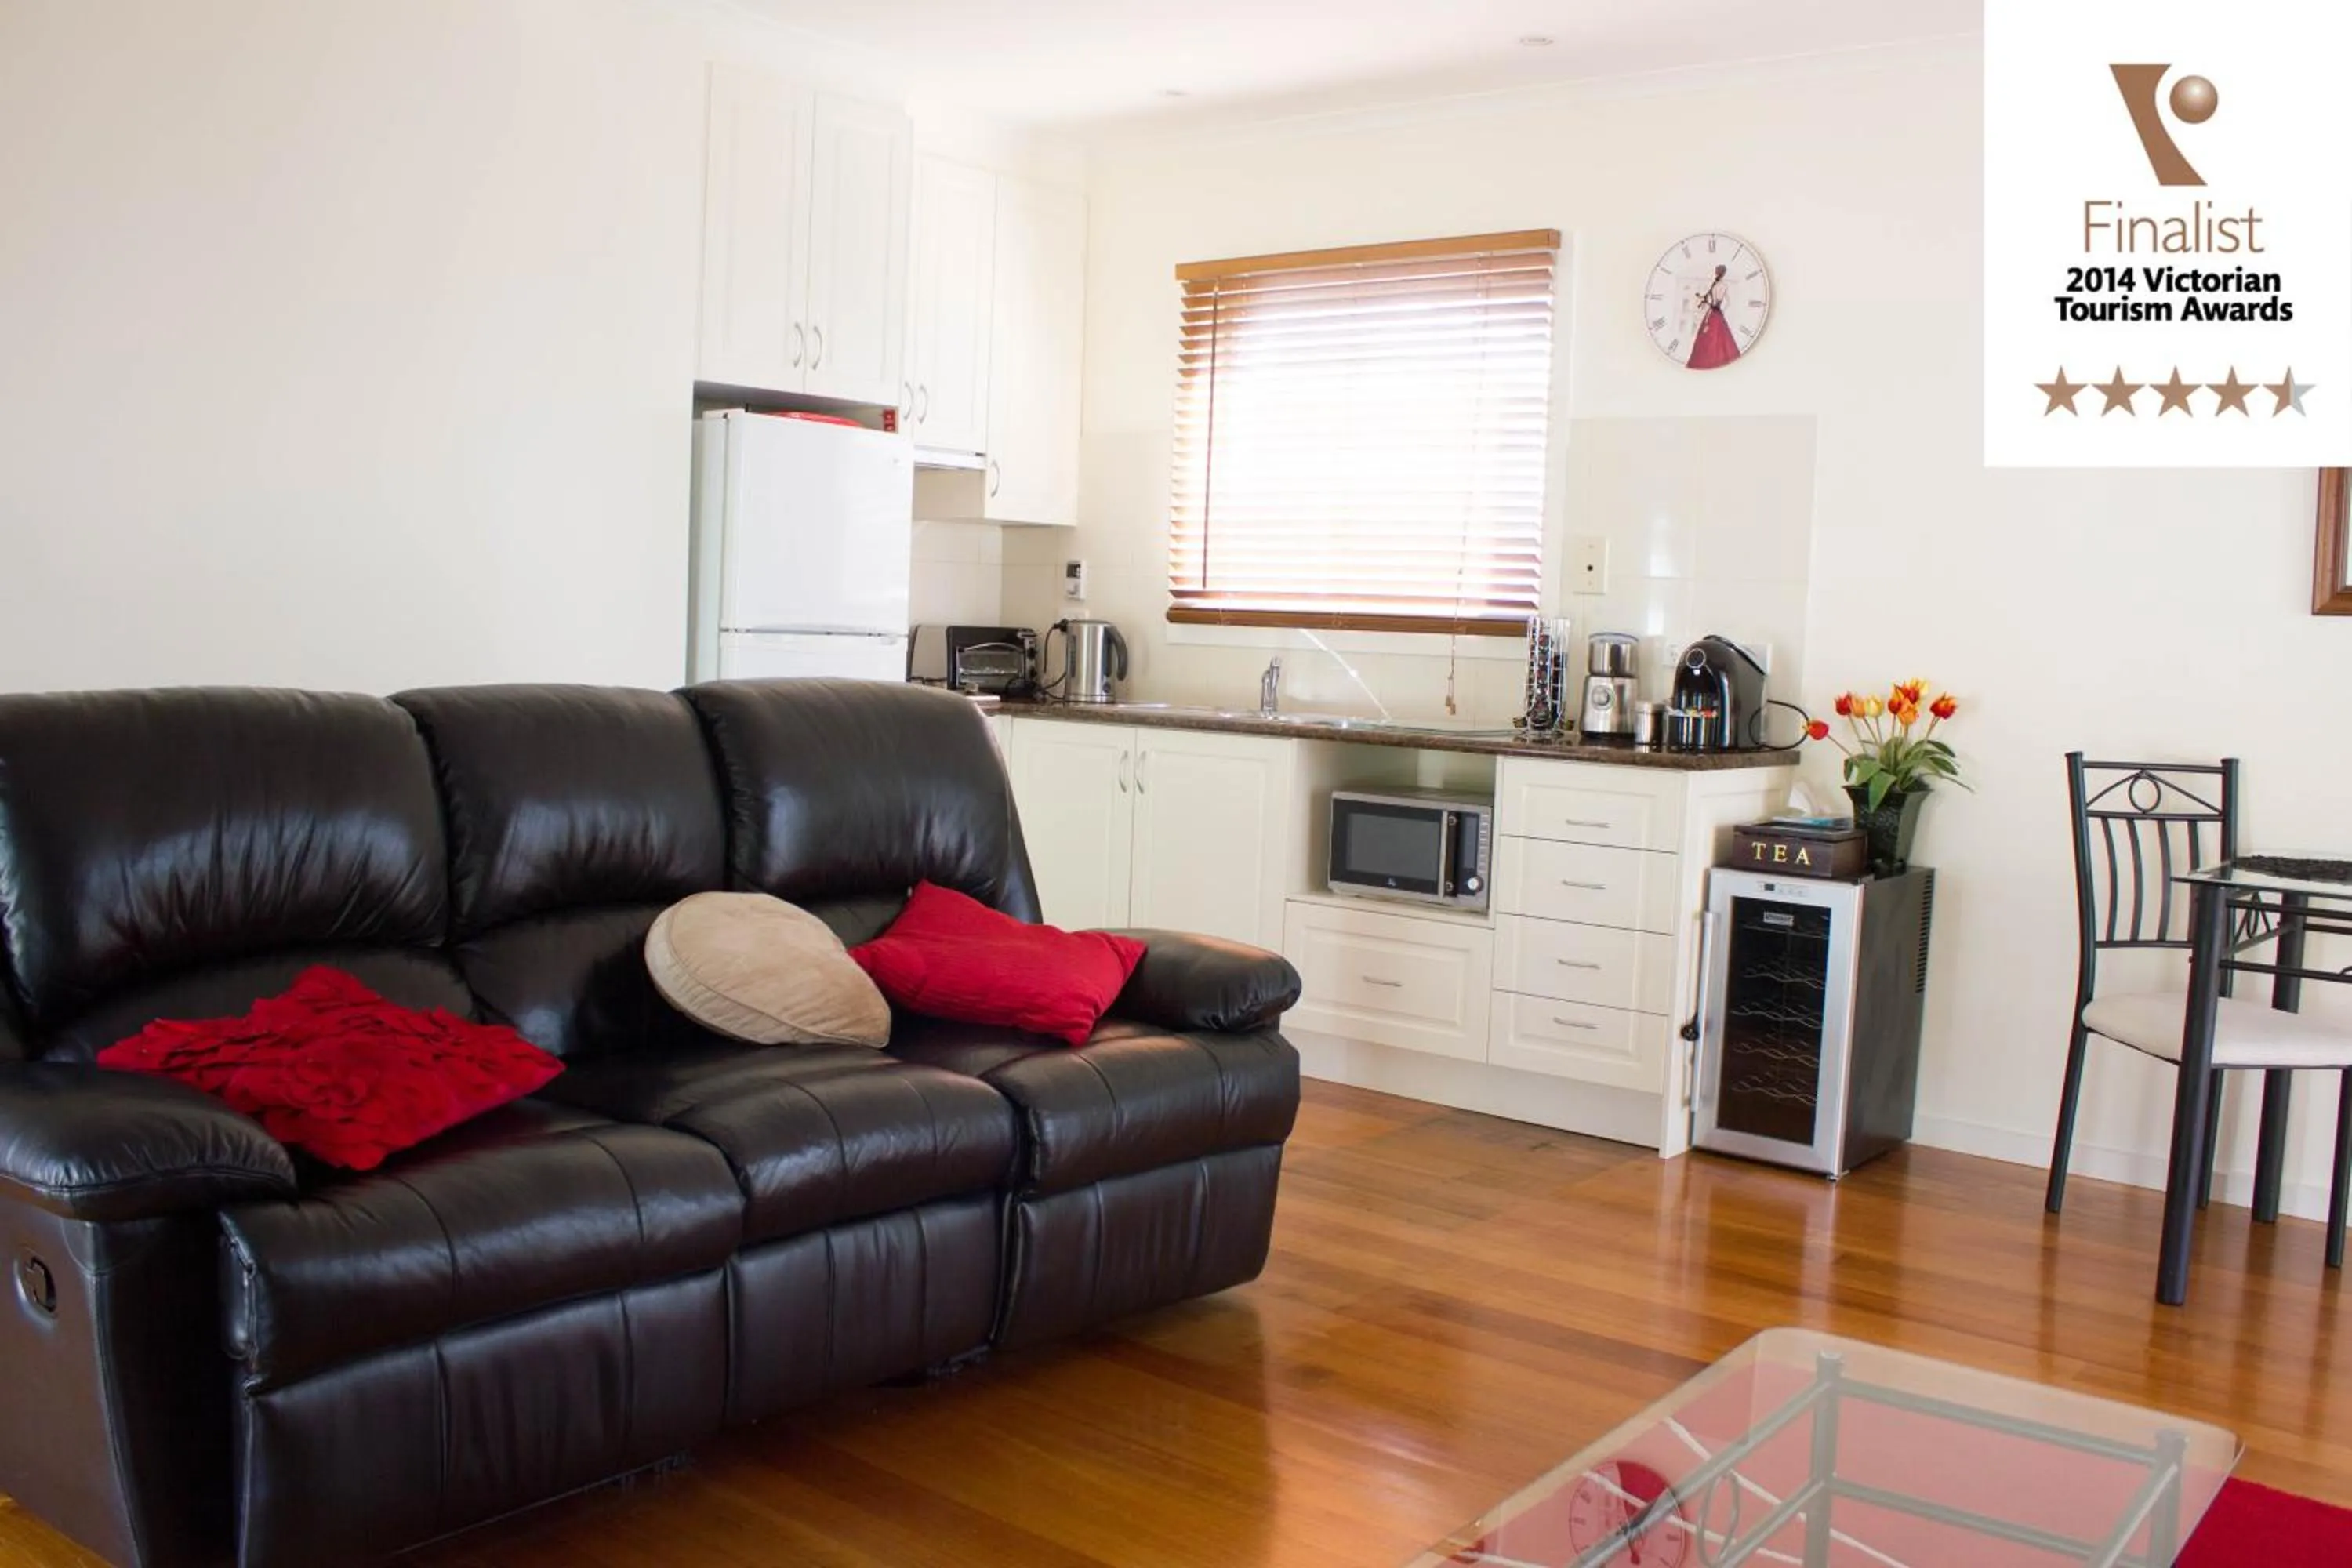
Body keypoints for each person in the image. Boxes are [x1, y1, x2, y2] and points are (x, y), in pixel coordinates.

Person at [1685, 263, 1741, 370]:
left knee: (1708, 336)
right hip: (1717, 312)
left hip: (1712, 312)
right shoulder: (1722, 285)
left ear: (1717, 272)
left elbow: (1711, 300)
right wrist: (1721, 310)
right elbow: (1727, 302)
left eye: (1716, 271)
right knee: (1719, 336)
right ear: (1724, 274)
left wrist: (1707, 303)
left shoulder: (1716, 285)